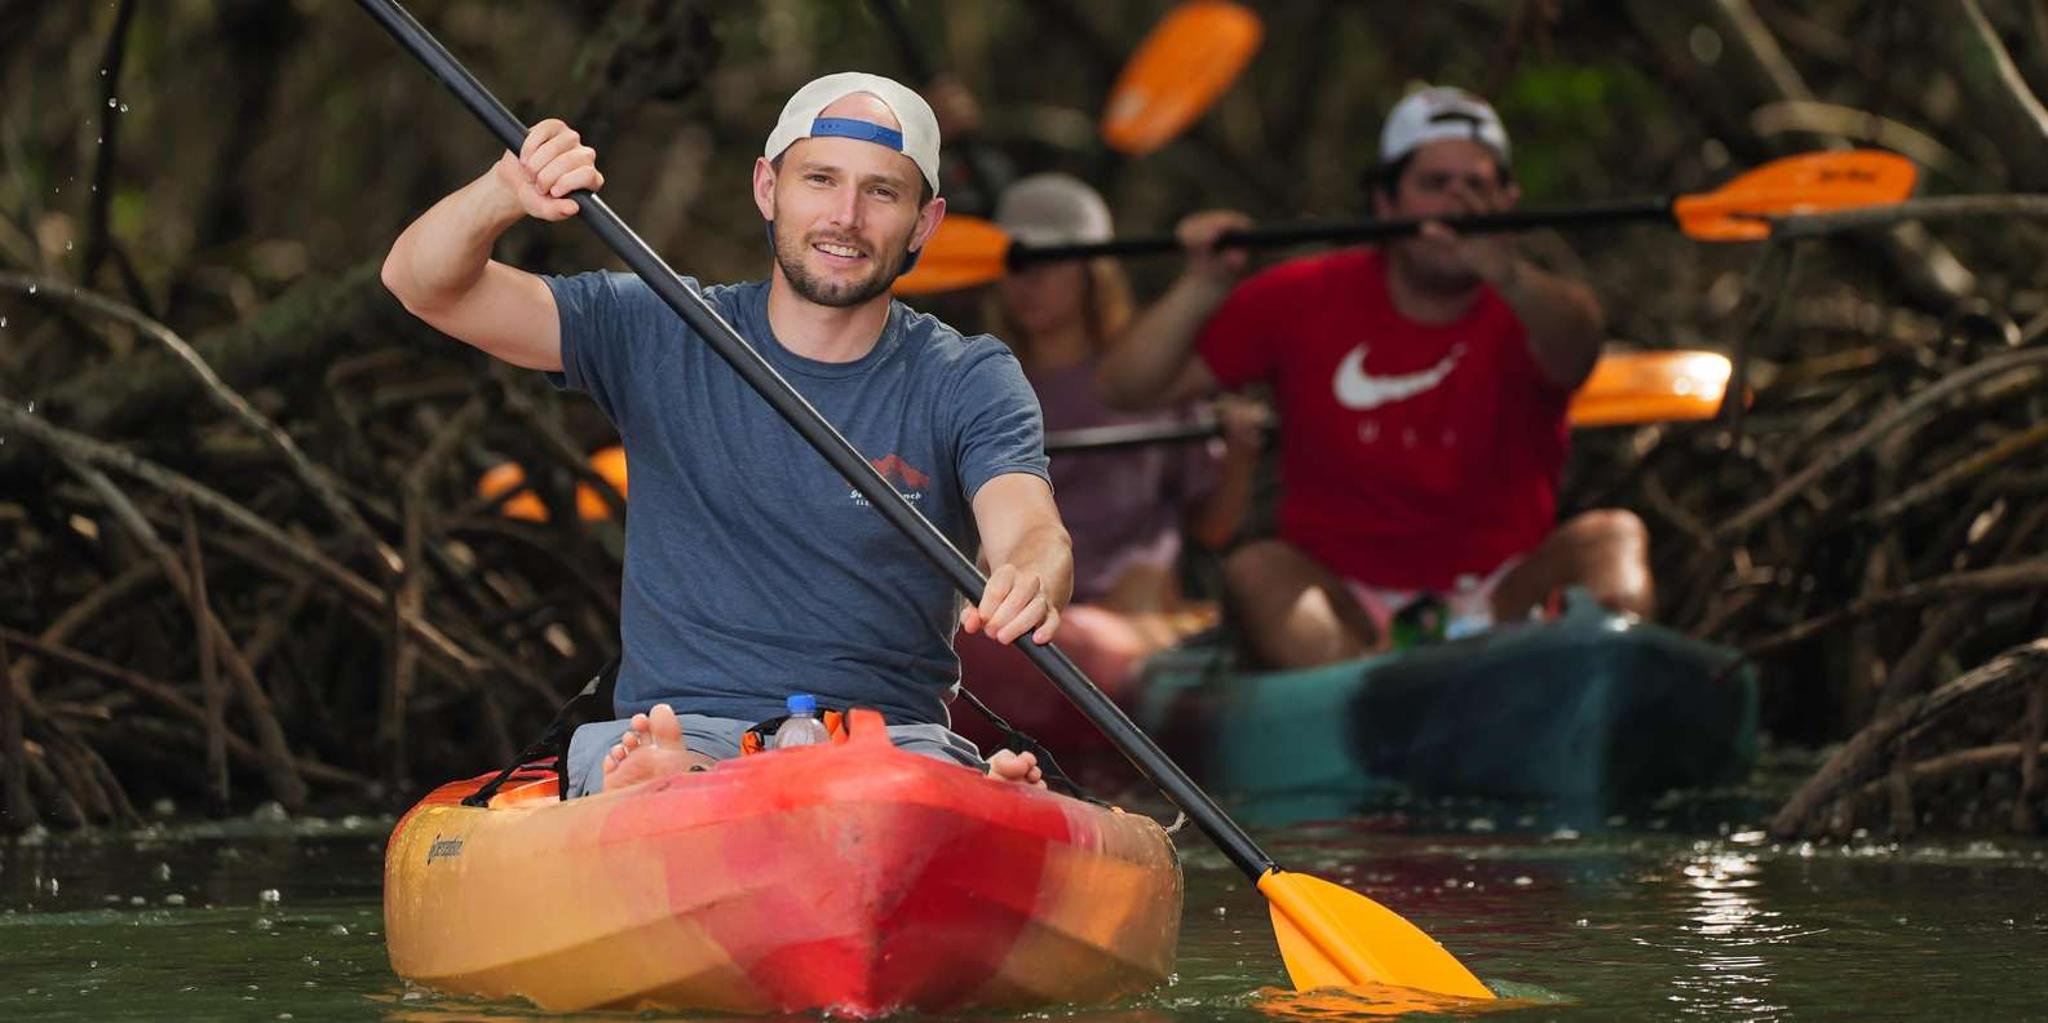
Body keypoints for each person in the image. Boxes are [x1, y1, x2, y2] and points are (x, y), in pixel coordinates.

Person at [380, 72, 1063, 792]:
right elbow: (421, 283)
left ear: (925, 222)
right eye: (821, 180)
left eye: (882, 192)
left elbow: (1028, 524)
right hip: (681, 728)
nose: (846, 215)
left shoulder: (968, 375)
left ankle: (962, 794)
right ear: (768, 188)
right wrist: (504, 190)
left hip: (887, 747)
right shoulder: (658, 324)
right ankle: (678, 777)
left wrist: (1032, 572)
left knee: (900, 778)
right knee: (664, 764)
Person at [1096, 86, 1652, 670]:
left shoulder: (1537, 308)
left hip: (1504, 596)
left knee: (1614, 540)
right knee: (1256, 571)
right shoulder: (1303, 297)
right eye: (1435, 185)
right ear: (1386, 203)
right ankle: (1368, 709)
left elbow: (1576, 350)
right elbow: (1127, 387)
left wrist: (1502, 267)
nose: (1458, 205)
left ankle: (1595, 707)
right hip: (1348, 609)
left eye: (1479, 187)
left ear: (1508, 202)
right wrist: (1203, 284)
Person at [950, 175, 1260, 760]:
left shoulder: (1150, 380)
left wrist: (1241, 457)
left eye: (1047, 262)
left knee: (1141, 586)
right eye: (1015, 263)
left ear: (1093, 273)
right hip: (1021, 606)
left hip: (1131, 612)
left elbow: (1213, 529)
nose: (1028, 282)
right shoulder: (978, 382)